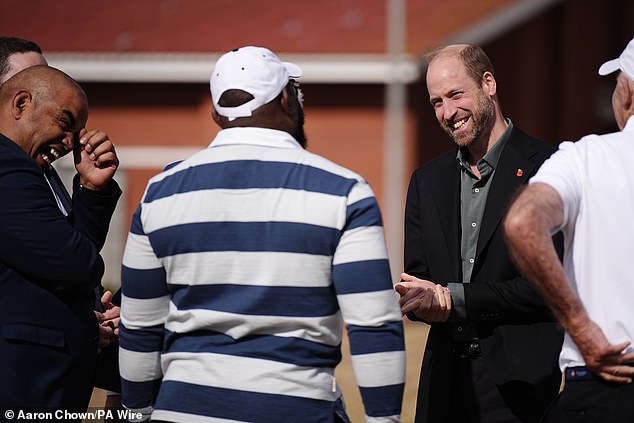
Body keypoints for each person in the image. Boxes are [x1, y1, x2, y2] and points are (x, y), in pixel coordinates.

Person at [119, 46, 406, 423]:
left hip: (182, 410)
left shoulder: (160, 192)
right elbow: (373, 326)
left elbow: (139, 327)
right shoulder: (344, 192)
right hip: (296, 408)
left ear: (216, 114)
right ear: (287, 99)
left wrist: (139, 412)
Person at [396, 44, 564, 423]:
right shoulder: (426, 181)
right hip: (444, 384)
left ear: (488, 83)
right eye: (436, 102)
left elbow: (547, 285)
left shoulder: (551, 168)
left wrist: (454, 299)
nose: (447, 113)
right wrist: (418, 299)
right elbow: (420, 277)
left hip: (519, 389)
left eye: (456, 95)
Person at [504, 36, 634, 422]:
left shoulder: (586, 158)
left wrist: (580, 326)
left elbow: (522, 222)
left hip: (605, 384)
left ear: (626, 91)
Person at [0, 36, 123, 410]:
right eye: (65, 123)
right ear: (21, 101)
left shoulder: (36, 172)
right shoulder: (8, 164)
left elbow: (61, 263)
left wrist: (91, 188)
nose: (70, 143)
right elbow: (75, 264)